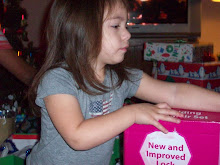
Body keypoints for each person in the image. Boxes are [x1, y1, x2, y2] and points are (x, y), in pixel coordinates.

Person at [26, 0, 220, 164]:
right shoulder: (57, 79)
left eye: (126, 26)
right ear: (81, 29)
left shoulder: (121, 78)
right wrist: (132, 113)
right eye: (116, 26)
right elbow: (77, 136)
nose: (127, 34)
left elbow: (174, 93)